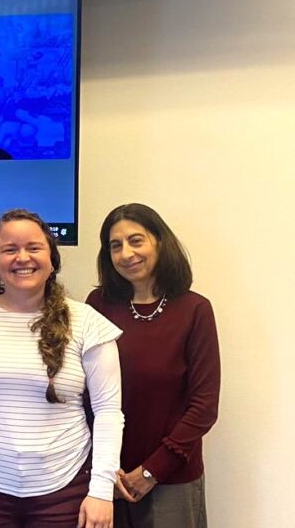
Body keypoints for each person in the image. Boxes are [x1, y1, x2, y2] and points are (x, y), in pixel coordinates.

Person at [0, 209, 123, 528]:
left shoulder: (88, 323)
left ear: (51, 258)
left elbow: (108, 411)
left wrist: (101, 490)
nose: (22, 257)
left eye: (33, 247)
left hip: (66, 489)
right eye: (9, 249)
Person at [86, 203, 220, 528]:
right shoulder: (97, 306)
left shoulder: (194, 310)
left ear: (160, 242)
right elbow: (84, 392)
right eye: (115, 245)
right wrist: (102, 468)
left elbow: (203, 407)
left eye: (136, 240)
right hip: (107, 476)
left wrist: (151, 472)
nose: (126, 253)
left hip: (170, 479)